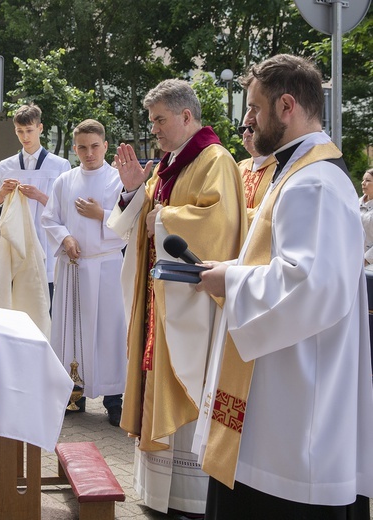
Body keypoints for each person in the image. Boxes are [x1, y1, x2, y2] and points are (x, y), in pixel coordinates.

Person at [195, 54, 373, 520]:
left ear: (287, 106)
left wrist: (231, 279)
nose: (247, 120)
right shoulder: (295, 172)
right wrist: (232, 267)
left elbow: (309, 285)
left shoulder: (313, 182)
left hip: (293, 422)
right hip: (279, 406)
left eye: (254, 108)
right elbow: (286, 265)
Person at [109, 79, 247, 516]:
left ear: (187, 116)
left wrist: (164, 217)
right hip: (158, 300)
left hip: (192, 306)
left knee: (186, 380)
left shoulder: (214, 158)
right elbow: (141, 220)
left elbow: (219, 222)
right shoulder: (170, 163)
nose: (155, 130)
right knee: (154, 379)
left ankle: (188, 495)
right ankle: (158, 490)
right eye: (153, 121)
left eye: (160, 120)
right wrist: (133, 190)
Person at [41, 119, 127, 426]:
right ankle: (73, 394)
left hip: (106, 267)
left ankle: (115, 399)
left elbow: (130, 220)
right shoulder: (65, 180)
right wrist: (66, 238)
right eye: (82, 147)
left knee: (109, 332)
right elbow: (50, 218)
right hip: (74, 268)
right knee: (71, 332)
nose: (88, 153)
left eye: (94, 146)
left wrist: (100, 215)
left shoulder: (119, 180)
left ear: (105, 146)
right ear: (74, 148)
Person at [0, 103, 71, 303]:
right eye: (20, 131)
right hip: (14, 246)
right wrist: (0, 195)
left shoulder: (59, 165)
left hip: (46, 246)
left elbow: (67, 208)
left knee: (43, 306)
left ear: (40, 128)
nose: (25, 137)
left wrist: (40, 196)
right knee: (15, 306)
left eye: (29, 130)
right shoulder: (6, 166)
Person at [236, 113, 276, 224]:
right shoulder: (239, 167)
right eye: (243, 129)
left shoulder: (279, 169)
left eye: (251, 129)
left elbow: (268, 213)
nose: (245, 134)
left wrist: (234, 216)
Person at [359, 168, 373, 268]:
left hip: (369, 263)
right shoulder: (355, 203)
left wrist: (367, 259)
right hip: (354, 258)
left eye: (368, 180)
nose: (363, 183)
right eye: (363, 180)